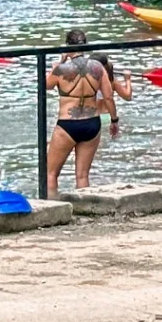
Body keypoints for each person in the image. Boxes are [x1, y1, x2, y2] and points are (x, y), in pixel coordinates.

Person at [45, 29, 115, 197]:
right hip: (92, 122)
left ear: (67, 46)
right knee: (82, 175)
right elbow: (108, 96)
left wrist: (57, 65)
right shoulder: (97, 67)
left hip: (67, 124)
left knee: (51, 174)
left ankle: (53, 207)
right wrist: (114, 120)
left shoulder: (61, 70)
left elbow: (45, 86)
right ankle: (85, 208)